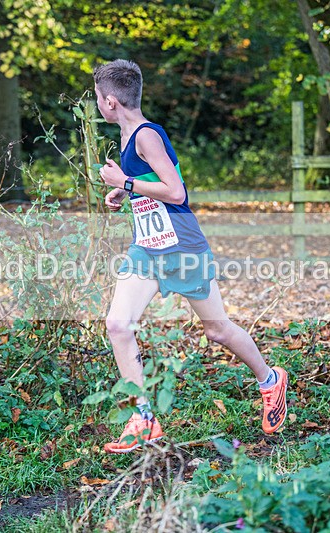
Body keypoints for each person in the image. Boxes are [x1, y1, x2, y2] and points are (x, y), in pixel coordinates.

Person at [95, 59, 289, 454]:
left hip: (182, 247)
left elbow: (178, 192)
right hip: (147, 249)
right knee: (118, 324)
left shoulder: (147, 135)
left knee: (217, 331)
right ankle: (142, 416)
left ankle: (270, 380)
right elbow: (153, 186)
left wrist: (126, 181)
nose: (98, 104)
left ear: (111, 102)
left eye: (98, 98)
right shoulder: (128, 136)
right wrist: (126, 193)